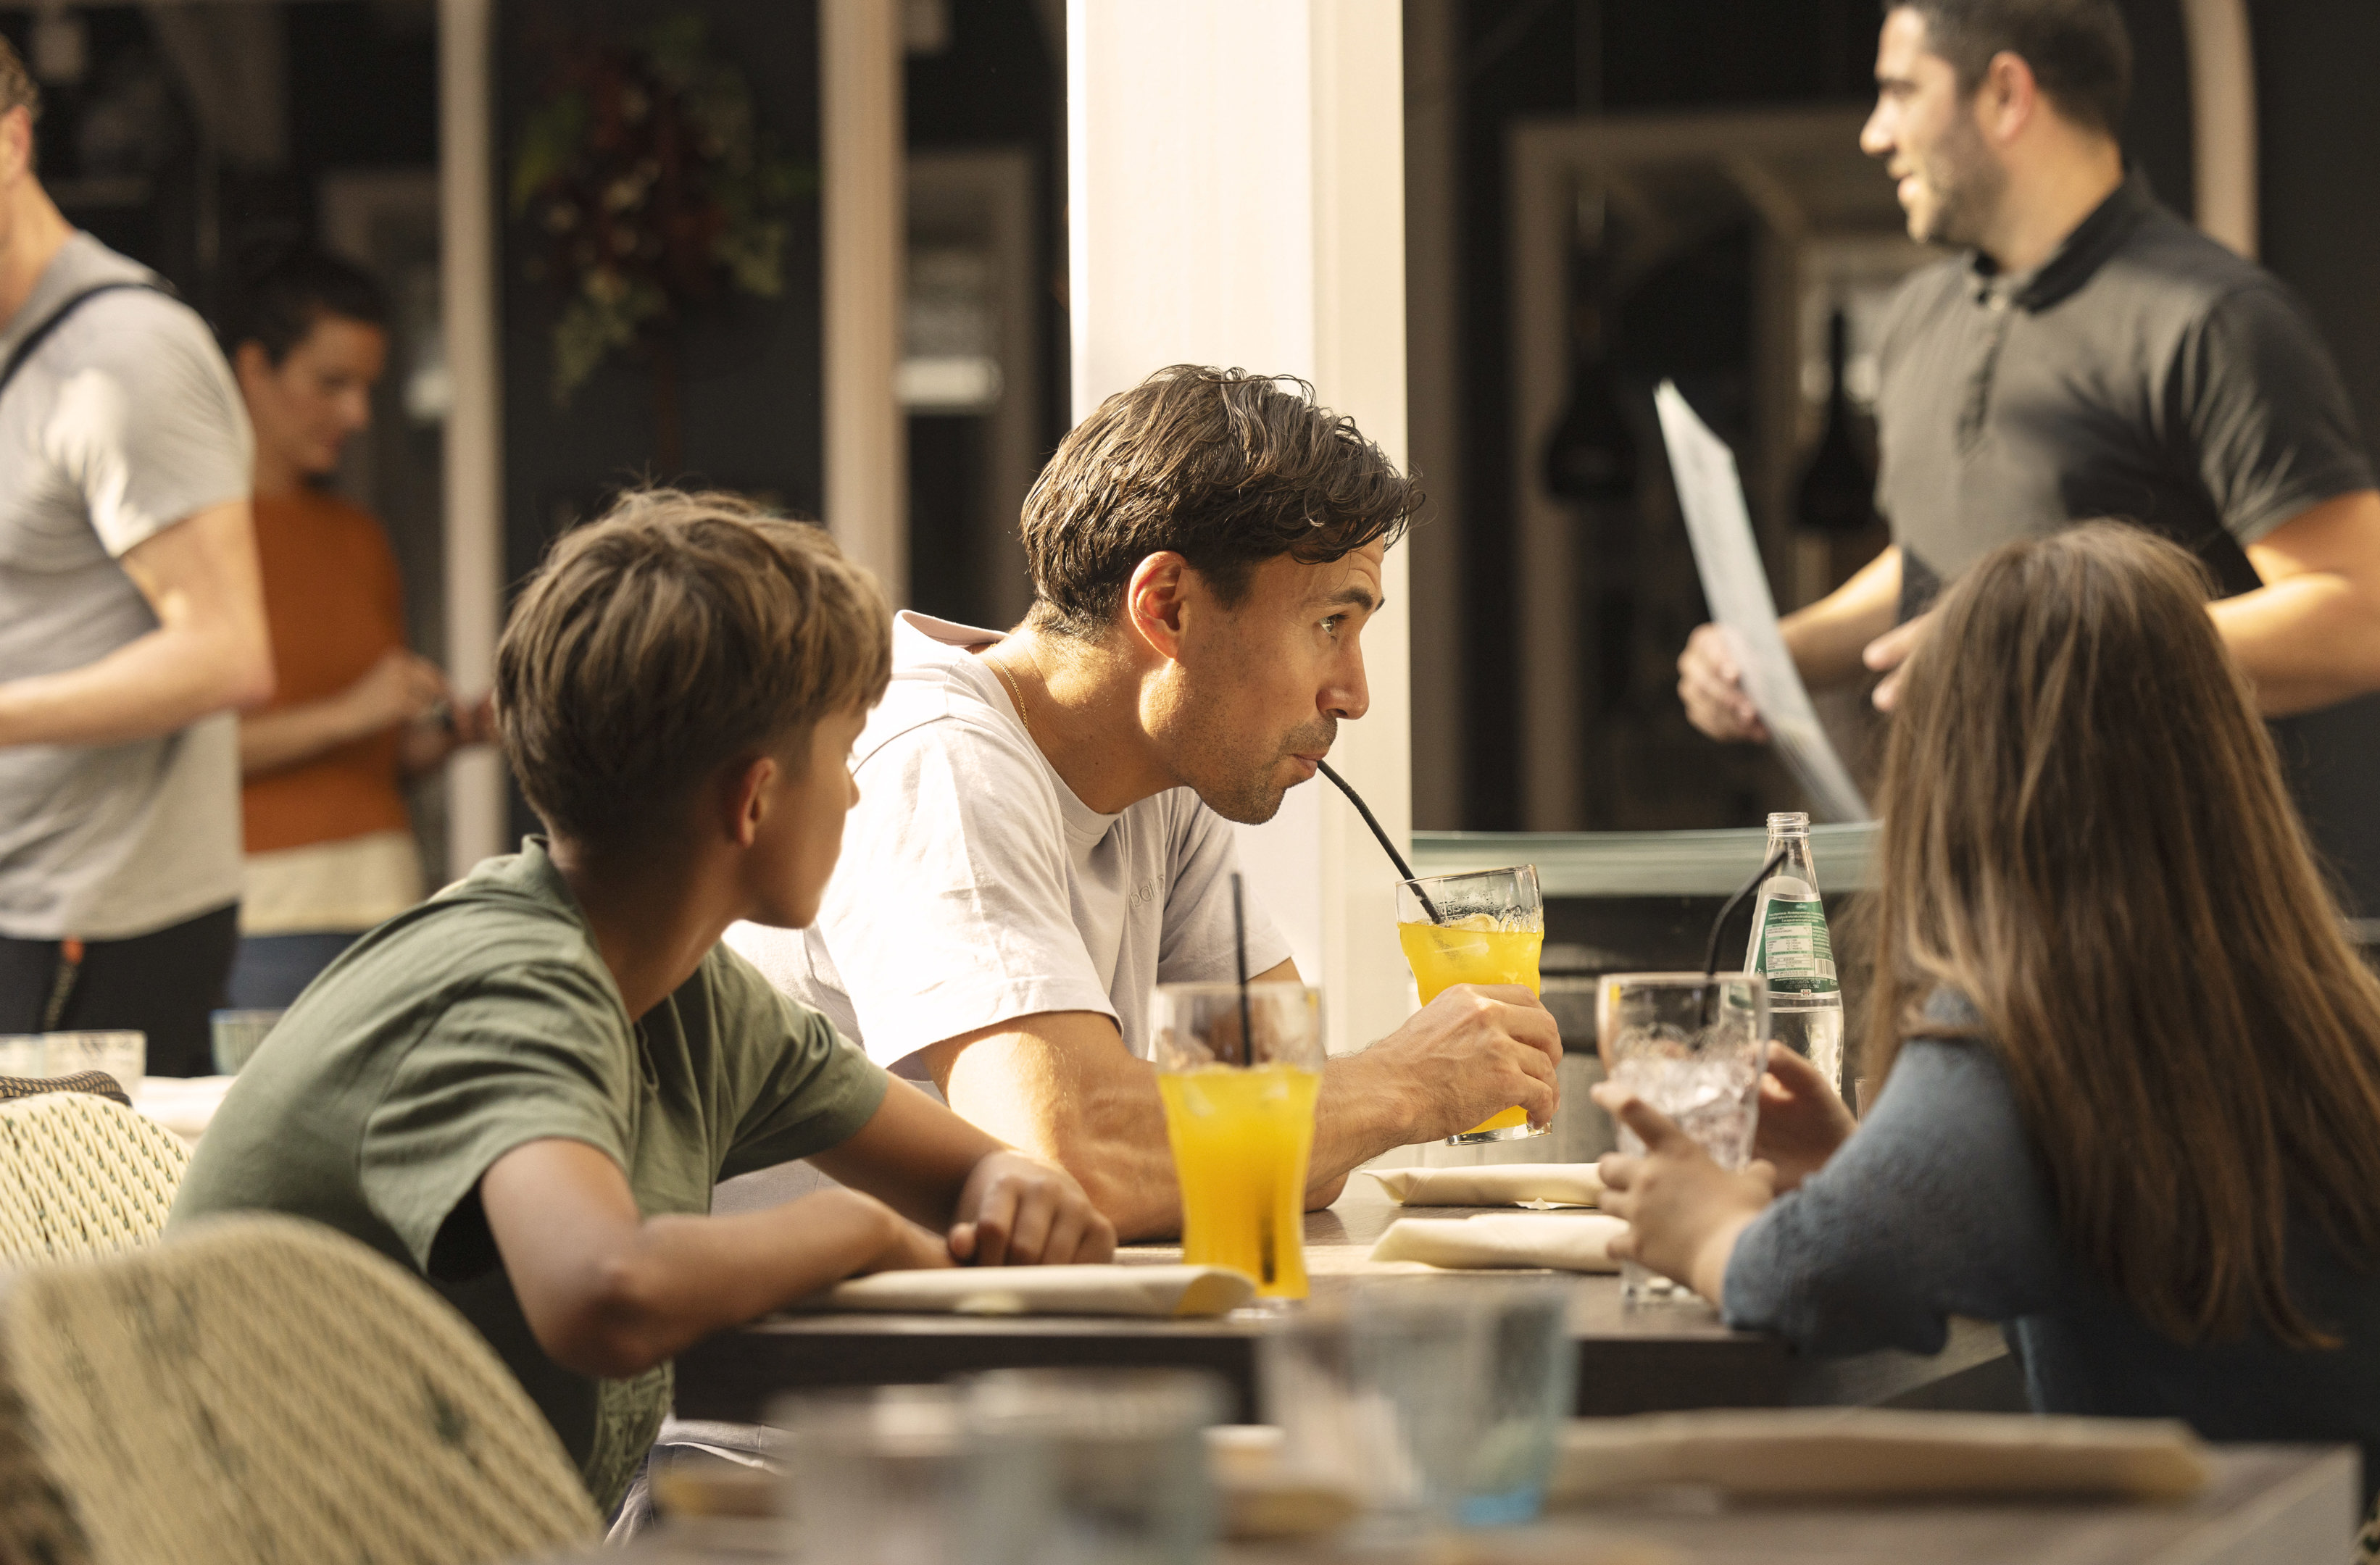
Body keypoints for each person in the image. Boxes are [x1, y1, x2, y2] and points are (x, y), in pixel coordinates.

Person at [171, 491, 1115, 1512]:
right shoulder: (510, 986)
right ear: (751, 799)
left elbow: (978, 1179)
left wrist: (1017, 1197)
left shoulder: (691, 994)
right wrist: (863, 1234)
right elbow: (604, 1294)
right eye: (845, 754)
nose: (855, 795)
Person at [1600, 525, 2380, 1508]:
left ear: (1953, 781)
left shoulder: (2022, 1040)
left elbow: (1821, 1279)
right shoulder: (2296, 1006)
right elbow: (2035, 1206)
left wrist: (1708, 1233)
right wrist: (1859, 1171)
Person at [725, 367, 1563, 1240]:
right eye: (1329, 627)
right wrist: (1409, 1082)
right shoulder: (935, 756)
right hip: (803, 1360)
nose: (1353, 694)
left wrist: (1329, 1110)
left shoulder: (1166, 778)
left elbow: (1300, 1153)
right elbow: (1066, 1156)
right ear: (1166, 609)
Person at [1677, 0, 2380, 736]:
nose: (1876, 133)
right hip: (1936, 847)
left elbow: (2367, 623)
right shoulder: (1919, 316)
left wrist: (2053, 650)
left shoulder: (2211, 318)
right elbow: (1936, 566)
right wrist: (1775, 659)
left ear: (2006, 95)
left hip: (2144, 852)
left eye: (1901, 91)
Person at [0, 37, 273, 1075]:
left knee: (70, 1241)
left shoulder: (125, 357)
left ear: (13, 142)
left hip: (95, 920)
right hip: (23, 901)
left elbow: (226, 655)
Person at [220, 249, 490, 1010]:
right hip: (261, 921)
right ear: (253, 369)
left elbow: (371, 753)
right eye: (330, 383)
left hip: (389, 905)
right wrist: (350, 712)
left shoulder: (358, 535)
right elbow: (180, 752)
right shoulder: (197, 540)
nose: (357, 415)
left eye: (367, 388)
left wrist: (449, 734)